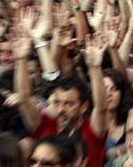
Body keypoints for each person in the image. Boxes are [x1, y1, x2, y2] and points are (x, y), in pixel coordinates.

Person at [15, 33, 109, 167]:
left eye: (68, 104)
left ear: (83, 107)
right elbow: (24, 99)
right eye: (57, 102)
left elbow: (101, 108)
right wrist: (21, 59)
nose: (61, 109)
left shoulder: (92, 131)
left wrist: (94, 68)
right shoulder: (45, 125)